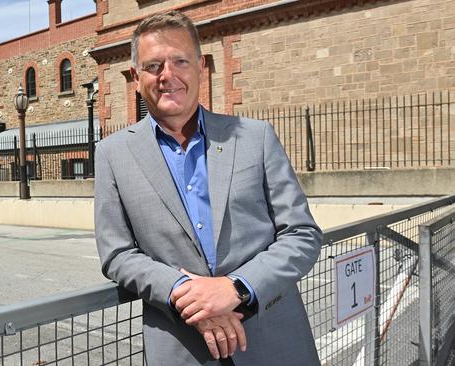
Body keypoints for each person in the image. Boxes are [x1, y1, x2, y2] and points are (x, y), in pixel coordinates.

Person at [94, 10, 322, 365]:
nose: (167, 76)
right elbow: (117, 254)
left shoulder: (255, 138)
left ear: (200, 66)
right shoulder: (111, 154)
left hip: (274, 340)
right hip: (181, 347)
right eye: (154, 66)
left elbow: (302, 234)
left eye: (180, 61)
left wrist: (235, 289)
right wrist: (183, 292)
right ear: (136, 77)